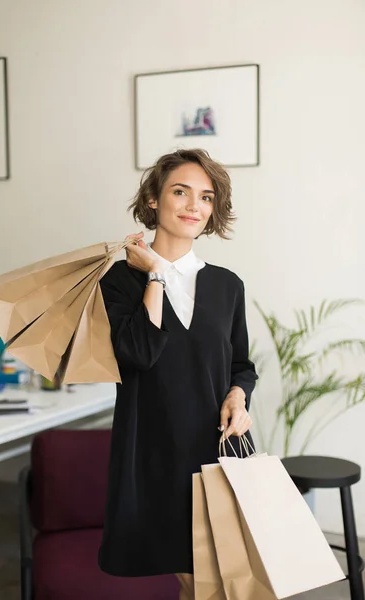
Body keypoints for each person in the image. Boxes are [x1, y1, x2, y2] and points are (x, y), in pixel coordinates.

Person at [98, 148, 258, 600]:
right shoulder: (119, 281)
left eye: (206, 198)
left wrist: (238, 398)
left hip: (214, 451)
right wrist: (155, 275)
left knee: (217, 582)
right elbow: (138, 354)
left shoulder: (227, 285)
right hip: (152, 455)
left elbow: (241, 366)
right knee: (201, 581)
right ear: (153, 199)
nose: (194, 206)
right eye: (181, 192)